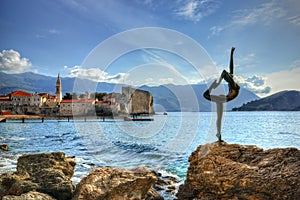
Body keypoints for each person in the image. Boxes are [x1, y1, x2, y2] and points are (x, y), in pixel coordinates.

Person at [203, 47, 240, 142]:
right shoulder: (233, 85)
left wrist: (218, 83)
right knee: (219, 118)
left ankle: (219, 135)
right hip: (223, 99)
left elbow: (226, 71)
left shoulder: (234, 85)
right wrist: (231, 53)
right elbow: (228, 69)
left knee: (219, 117)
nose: (230, 76)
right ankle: (219, 135)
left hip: (223, 99)